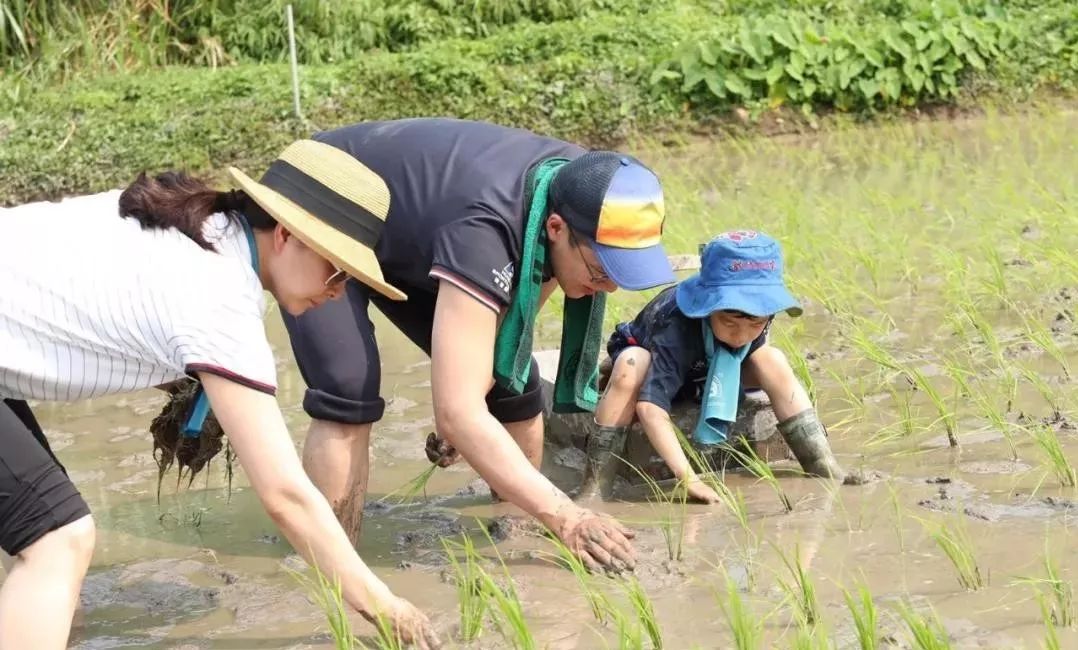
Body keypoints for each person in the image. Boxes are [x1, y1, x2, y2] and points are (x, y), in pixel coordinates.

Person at [0, 141, 440, 649]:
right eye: (338, 270)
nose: (339, 291)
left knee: (39, 536)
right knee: (57, 539)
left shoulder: (200, 226)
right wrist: (383, 605)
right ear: (286, 235)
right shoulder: (220, 296)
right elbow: (286, 496)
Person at [274, 117, 677, 573]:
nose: (607, 289)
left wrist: (467, 408)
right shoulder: (487, 230)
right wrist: (567, 514)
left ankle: (515, 539)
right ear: (557, 229)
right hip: (326, 199)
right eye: (601, 271)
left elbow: (508, 337)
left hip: (419, 228)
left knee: (513, 382)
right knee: (348, 386)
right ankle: (331, 566)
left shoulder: (580, 186)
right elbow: (458, 410)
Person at [578, 230, 846, 503]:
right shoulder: (676, 327)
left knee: (772, 359)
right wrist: (689, 480)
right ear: (707, 308)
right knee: (631, 364)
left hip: (708, 369)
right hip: (657, 364)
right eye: (730, 323)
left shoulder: (760, 319)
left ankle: (823, 465)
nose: (741, 336)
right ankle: (596, 488)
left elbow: (755, 345)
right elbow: (650, 408)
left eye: (755, 324)